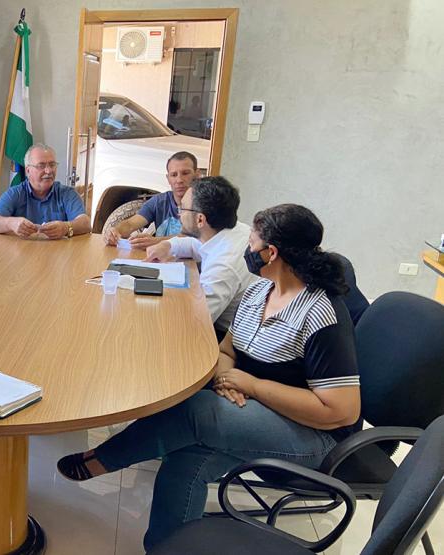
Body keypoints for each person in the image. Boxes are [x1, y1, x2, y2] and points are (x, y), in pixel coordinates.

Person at [58, 204, 361, 551]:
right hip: (254, 411)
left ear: (271, 253)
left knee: (196, 410)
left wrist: (253, 387)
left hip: (314, 437)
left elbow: (342, 411)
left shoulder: (322, 313)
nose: (247, 250)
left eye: (252, 243)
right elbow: (227, 351)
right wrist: (228, 379)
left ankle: (103, 459)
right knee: (186, 460)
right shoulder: (260, 291)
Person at [143, 176, 257, 340]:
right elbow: (197, 244)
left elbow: (195, 321)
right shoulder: (232, 229)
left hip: (224, 335)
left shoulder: (224, 265)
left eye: (182, 209)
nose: (178, 214)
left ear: (200, 219)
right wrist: (168, 246)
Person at [0, 143, 90, 239]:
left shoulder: (68, 194)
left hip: (59, 255)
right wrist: (11, 223)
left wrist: (66, 227)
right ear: (28, 171)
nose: (48, 171)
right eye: (41, 166)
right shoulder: (15, 193)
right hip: (22, 255)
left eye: (52, 165)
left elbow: (85, 223)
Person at [103, 151, 200, 248]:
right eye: (174, 175)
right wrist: (115, 232)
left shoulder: (205, 203)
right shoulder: (159, 202)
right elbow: (130, 224)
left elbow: (195, 238)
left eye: (185, 173)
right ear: (168, 178)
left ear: (197, 175)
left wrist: (157, 242)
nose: (179, 180)